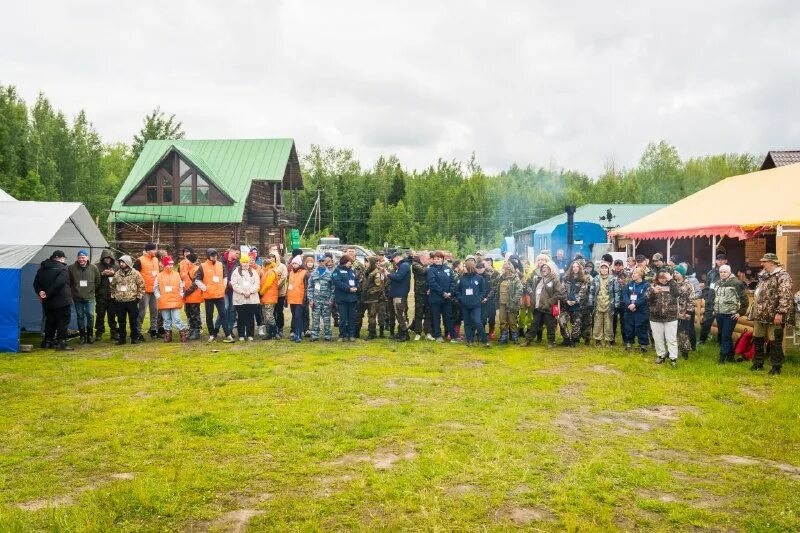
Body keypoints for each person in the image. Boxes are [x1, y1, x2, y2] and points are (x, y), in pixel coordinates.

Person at [750, 253, 793, 375]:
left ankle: (776, 367)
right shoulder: (763, 276)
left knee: (775, 341)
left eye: (764, 261)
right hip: (760, 315)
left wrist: (780, 313)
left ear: (773, 262)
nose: (762, 264)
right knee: (757, 338)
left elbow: (785, 296)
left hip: (774, 316)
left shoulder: (783, 276)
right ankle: (758, 363)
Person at [33, 250, 74, 351]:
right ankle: (61, 343)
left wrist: (41, 292)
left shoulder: (42, 268)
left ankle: (47, 342)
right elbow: (59, 283)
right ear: (60, 258)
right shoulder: (63, 268)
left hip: (48, 302)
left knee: (50, 321)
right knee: (63, 321)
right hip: (62, 300)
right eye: (63, 258)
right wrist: (47, 293)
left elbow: (35, 283)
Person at [521, 263, 564, 348]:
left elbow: (558, 294)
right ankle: (528, 340)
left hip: (548, 307)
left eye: (546, 267)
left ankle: (551, 342)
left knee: (550, 325)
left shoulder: (554, 280)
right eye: (543, 268)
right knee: (534, 324)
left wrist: (548, 303)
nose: (544, 269)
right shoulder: (539, 279)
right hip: (538, 307)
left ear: (550, 269)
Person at [195, 248, 233, 343]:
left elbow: (225, 276)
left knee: (223, 314)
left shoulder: (220, 265)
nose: (214, 257)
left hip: (220, 295)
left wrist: (223, 287)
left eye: (215, 255)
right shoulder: (202, 266)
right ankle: (212, 335)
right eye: (212, 255)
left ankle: (228, 334)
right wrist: (206, 288)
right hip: (209, 296)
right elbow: (197, 280)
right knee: (209, 316)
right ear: (208, 256)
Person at [712, 264, 748, 364]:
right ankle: (731, 358)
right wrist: (714, 309)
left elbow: (744, 299)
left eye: (725, 272)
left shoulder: (736, 283)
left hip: (730, 314)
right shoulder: (717, 283)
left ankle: (722, 358)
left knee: (725, 336)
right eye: (721, 272)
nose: (723, 274)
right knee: (724, 335)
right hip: (719, 313)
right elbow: (716, 297)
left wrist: (740, 312)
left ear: (729, 272)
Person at [646, 267, 680, 367]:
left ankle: (673, 358)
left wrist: (671, 280)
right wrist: (653, 292)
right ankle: (661, 356)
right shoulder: (652, 286)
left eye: (665, 277)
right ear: (657, 278)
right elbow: (646, 298)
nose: (663, 279)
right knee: (658, 338)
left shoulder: (673, 284)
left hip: (671, 316)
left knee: (671, 339)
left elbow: (677, 294)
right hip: (655, 317)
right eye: (660, 277)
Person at [67, 249, 100, 345]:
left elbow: (98, 281)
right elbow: (69, 282)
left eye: (83, 257)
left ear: (87, 258)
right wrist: (73, 292)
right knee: (80, 316)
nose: (81, 259)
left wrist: (92, 290)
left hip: (90, 297)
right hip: (77, 297)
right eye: (79, 257)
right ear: (77, 258)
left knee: (90, 315)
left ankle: (90, 335)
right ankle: (82, 336)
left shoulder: (94, 268)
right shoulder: (71, 268)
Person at [110, 254, 145, 346]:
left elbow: (141, 286)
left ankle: (134, 338)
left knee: (133, 321)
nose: (121, 264)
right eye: (120, 262)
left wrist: (138, 298)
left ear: (128, 263)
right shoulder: (117, 274)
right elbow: (112, 286)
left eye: (123, 262)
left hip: (132, 301)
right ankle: (122, 339)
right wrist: (114, 297)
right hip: (120, 302)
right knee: (121, 321)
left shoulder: (135, 273)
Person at [456, 257, 488, 347]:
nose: (465, 268)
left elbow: (483, 290)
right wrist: (461, 298)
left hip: (476, 305)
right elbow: (457, 290)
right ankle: (469, 340)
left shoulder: (479, 278)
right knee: (467, 323)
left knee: (478, 322)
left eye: (466, 267)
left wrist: (479, 298)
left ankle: (485, 341)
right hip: (465, 305)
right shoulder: (462, 279)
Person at [154, 255, 186, 342]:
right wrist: (158, 296)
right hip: (164, 300)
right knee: (166, 319)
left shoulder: (176, 275)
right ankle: (168, 335)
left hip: (175, 300)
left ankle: (182, 333)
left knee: (177, 318)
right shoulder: (159, 276)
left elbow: (180, 286)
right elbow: (156, 288)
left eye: (172, 264)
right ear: (164, 265)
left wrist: (181, 294)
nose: (171, 266)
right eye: (169, 264)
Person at [427, 251, 458, 343]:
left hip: (447, 298)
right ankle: (438, 335)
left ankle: (453, 336)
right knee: (436, 317)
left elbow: (453, 281)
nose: (436, 260)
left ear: (442, 259)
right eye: (435, 259)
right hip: (436, 298)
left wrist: (450, 293)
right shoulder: (431, 269)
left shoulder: (448, 269)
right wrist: (442, 293)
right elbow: (432, 283)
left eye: (438, 258)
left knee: (448, 317)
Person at [230, 254, 261, 342]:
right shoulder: (236, 272)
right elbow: (234, 284)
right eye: (244, 262)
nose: (246, 264)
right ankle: (241, 335)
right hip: (240, 298)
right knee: (241, 317)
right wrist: (242, 292)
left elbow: (257, 284)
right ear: (241, 263)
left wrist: (250, 292)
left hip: (252, 299)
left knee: (250, 317)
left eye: (247, 262)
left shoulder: (254, 272)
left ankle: (250, 334)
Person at [134, 242, 161, 341]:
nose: (156, 251)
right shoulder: (139, 260)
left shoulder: (156, 259)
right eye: (154, 249)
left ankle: (154, 331)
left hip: (155, 290)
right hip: (144, 291)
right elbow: (135, 275)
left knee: (155, 311)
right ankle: (137, 332)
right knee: (142, 312)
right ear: (148, 250)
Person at [699, 253, 728, 344]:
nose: (721, 261)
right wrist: (707, 297)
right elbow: (706, 286)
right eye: (719, 260)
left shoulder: (729, 273)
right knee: (707, 321)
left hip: (722, 302)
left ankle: (720, 342)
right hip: (710, 302)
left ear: (726, 261)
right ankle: (702, 340)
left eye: (723, 260)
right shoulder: (711, 273)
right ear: (716, 261)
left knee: (721, 323)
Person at [560, 261, 590, 347]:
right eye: (573, 266)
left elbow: (583, 292)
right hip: (566, 305)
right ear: (571, 268)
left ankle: (574, 340)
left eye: (577, 266)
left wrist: (575, 301)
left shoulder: (584, 279)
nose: (575, 268)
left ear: (580, 268)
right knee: (562, 321)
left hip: (577, 306)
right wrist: (566, 300)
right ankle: (566, 339)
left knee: (577, 324)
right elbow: (563, 291)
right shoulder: (566, 278)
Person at [591, 262, 619, 347]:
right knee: (598, 323)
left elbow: (617, 292)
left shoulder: (613, 279)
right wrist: (590, 303)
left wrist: (616, 304)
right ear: (599, 269)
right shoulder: (595, 278)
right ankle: (598, 340)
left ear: (608, 269)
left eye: (605, 268)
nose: (604, 269)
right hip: (598, 303)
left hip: (609, 304)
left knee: (609, 324)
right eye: (602, 268)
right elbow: (591, 292)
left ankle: (609, 340)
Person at [332, 255, 359, 341]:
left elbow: (357, 281)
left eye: (351, 262)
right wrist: (348, 288)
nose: (350, 264)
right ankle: (342, 335)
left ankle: (351, 335)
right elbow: (337, 282)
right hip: (342, 299)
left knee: (352, 317)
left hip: (352, 299)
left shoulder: (352, 271)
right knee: (343, 318)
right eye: (349, 262)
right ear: (344, 262)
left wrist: (357, 287)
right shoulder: (337, 271)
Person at [307, 254, 334, 341]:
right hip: (316, 300)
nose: (321, 263)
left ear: (325, 261)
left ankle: (328, 335)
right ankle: (315, 335)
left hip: (326, 300)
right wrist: (310, 299)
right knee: (315, 319)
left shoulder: (329, 274)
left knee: (326, 319)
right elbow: (310, 287)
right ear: (317, 262)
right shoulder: (313, 274)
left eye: (322, 261)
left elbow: (333, 288)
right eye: (319, 261)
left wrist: (331, 299)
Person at [215, 245, 240, 338]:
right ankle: (216, 328)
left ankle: (229, 331)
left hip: (233, 290)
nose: (238, 255)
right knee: (224, 308)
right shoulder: (221, 261)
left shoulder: (238, 263)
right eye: (237, 253)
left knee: (232, 310)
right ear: (231, 252)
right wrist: (226, 282)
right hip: (223, 289)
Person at [623, 268, 650, 352]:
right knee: (629, 327)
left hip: (641, 310)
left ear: (641, 275)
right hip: (629, 309)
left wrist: (635, 304)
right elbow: (625, 295)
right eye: (633, 273)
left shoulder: (646, 285)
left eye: (635, 273)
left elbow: (645, 297)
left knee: (641, 327)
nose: (633, 275)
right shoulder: (630, 284)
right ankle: (629, 343)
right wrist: (629, 304)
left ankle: (643, 345)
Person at [94, 250, 118, 342]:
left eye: (109, 258)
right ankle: (99, 332)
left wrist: (113, 274)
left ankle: (114, 332)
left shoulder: (116, 266)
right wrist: (102, 274)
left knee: (112, 315)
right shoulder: (97, 266)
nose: (107, 260)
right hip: (101, 295)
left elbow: (120, 277)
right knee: (100, 314)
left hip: (112, 295)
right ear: (102, 258)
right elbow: (94, 279)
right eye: (105, 258)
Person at [387, 252, 412, 341]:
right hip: (396, 293)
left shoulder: (404, 265)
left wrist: (388, 274)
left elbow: (399, 277)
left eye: (393, 259)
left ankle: (405, 334)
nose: (393, 261)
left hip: (400, 294)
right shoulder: (402, 266)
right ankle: (401, 333)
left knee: (400, 314)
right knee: (398, 314)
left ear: (397, 258)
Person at [497, 261, 523, 344]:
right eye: (503, 267)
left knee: (512, 321)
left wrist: (514, 300)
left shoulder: (515, 278)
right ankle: (503, 338)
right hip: (502, 303)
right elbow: (496, 289)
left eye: (506, 267)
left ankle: (515, 338)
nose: (504, 268)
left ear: (510, 268)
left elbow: (519, 290)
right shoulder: (500, 278)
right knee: (502, 320)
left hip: (511, 303)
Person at [673, 265, 695, 360]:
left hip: (684, 312)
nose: (675, 274)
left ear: (682, 274)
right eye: (674, 273)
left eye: (677, 273)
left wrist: (688, 312)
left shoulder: (688, 285)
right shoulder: (673, 284)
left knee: (683, 332)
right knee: (674, 332)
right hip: (673, 312)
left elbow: (691, 299)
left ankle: (685, 351)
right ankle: (674, 350)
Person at [362, 257, 385, 340]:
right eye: (365, 262)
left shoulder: (377, 273)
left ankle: (372, 333)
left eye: (367, 262)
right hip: (367, 298)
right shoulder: (368, 271)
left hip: (374, 298)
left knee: (372, 316)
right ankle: (372, 332)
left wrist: (369, 292)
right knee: (370, 316)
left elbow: (378, 286)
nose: (366, 264)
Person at [181, 252, 204, 340]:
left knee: (195, 315)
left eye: (187, 259)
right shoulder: (188, 269)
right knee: (189, 314)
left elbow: (195, 284)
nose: (185, 260)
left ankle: (196, 331)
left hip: (194, 296)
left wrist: (186, 292)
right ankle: (191, 330)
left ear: (190, 261)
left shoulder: (196, 269)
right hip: (188, 297)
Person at [411, 253, 433, 341]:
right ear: (422, 258)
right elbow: (423, 271)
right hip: (419, 293)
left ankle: (428, 332)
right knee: (418, 313)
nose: (429, 260)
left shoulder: (428, 266)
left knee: (428, 313)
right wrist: (431, 266)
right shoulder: (416, 265)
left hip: (428, 293)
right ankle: (418, 332)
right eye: (428, 258)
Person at [258, 255, 279, 339]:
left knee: (269, 316)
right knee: (266, 316)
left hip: (269, 297)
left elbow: (267, 284)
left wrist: (261, 293)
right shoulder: (267, 271)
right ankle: (269, 333)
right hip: (266, 297)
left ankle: (274, 332)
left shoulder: (271, 272)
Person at [286, 256, 307, 342]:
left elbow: (306, 287)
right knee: (294, 317)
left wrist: (304, 298)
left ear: (299, 263)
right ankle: (295, 334)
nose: (294, 265)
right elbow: (289, 286)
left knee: (298, 317)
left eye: (296, 263)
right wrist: (286, 298)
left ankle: (298, 335)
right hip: (292, 298)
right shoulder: (291, 273)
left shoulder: (304, 273)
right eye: (293, 263)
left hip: (300, 298)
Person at [479, 258, 500, 340]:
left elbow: (495, 288)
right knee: (482, 317)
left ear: (489, 263)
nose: (482, 266)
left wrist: (488, 297)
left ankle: (491, 331)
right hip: (482, 298)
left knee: (491, 317)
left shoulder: (495, 273)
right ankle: (482, 332)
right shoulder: (481, 273)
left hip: (492, 299)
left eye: (484, 264)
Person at [611, 259, 628, 341]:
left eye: (619, 265)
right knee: (613, 321)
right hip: (613, 302)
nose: (618, 267)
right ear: (614, 266)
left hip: (623, 301)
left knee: (624, 322)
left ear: (622, 266)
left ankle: (625, 340)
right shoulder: (610, 275)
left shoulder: (627, 275)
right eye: (616, 265)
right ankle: (612, 339)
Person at [274, 250, 289, 339]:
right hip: (271, 293)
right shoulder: (269, 266)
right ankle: (273, 328)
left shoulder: (282, 266)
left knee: (279, 311)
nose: (272, 258)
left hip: (280, 293)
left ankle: (280, 328)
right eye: (271, 257)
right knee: (272, 311)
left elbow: (284, 277)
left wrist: (276, 285)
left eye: (274, 257)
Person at [581, 261, 596, 345]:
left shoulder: (591, 278)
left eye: (590, 267)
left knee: (587, 321)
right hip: (580, 302)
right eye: (587, 267)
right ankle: (578, 336)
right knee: (579, 320)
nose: (588, 269)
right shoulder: (581, 276)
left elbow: (593, 291)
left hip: (588, 302)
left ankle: (587, 338)